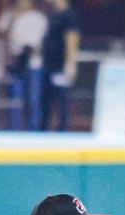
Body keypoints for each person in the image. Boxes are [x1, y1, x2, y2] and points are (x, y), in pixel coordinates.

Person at [0, 0, 46, 131]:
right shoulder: (9, 16)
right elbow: (0, 35)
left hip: (34, 63)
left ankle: (33, 131)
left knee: (33, 99)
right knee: (15, 99)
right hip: (15, 62)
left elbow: (45, 40)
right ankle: (14, 130)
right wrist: (13, 19)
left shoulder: (38, 17)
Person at [40, 0, 79, 131]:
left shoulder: (68, 16)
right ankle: (45, 130)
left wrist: (70, 64)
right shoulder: (54, 15)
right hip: (50, 66)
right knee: (47, 100)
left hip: (60, 66)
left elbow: (72, 38)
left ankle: (62, 130)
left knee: (62, 101)